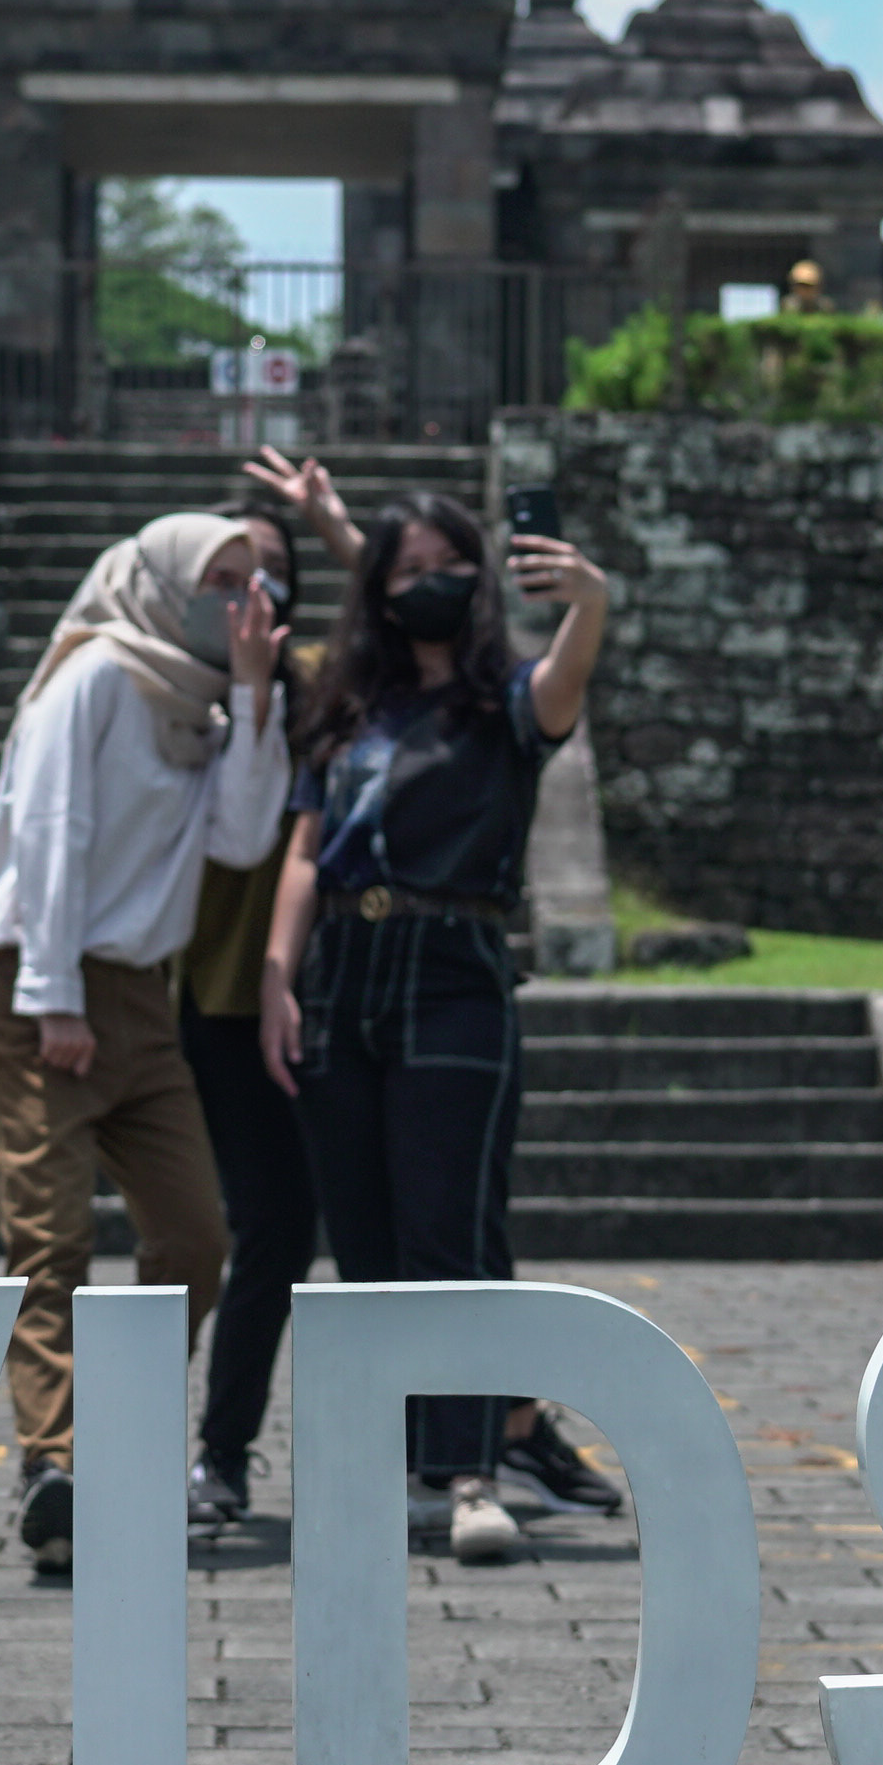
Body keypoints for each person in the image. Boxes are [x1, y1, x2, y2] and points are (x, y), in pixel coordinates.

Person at [260, 489, 622, 1563]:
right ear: (378, 587)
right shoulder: (343, 707)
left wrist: (590, 599)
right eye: (407, 565)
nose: (430, 581)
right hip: (341, 972)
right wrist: (277, 976)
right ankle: (389, 1469)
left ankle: (468, 1472)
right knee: (362, 1243)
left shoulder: (503, 703)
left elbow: (564, 684)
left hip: (454, 967)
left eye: (448, 564)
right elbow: (300, 852)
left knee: (445, 1233)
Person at [0, 509, 290, 1579]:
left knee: (193, 1236)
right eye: (216, 577)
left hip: (142, 1001)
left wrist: (249, 691)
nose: (234, 597)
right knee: (47, 1240)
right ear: (156, 579)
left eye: (250, 581)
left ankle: (116, 1441)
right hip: (33, 982)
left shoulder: (202, 709)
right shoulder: (93, 674)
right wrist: (53, 997)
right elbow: (52, 832)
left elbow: (240, 837)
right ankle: (55, 1464)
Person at [168, 449, 351, 1534]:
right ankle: (215, 1451)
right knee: (258, 1223)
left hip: (335, 1001)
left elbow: (412, 619)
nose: (255, 594)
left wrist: (328, 522)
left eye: (275, 573)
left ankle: (447, 1451)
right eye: (232, 575)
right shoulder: (171, 693)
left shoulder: (329, 684)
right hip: (219, 1003)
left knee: (337, 1227)